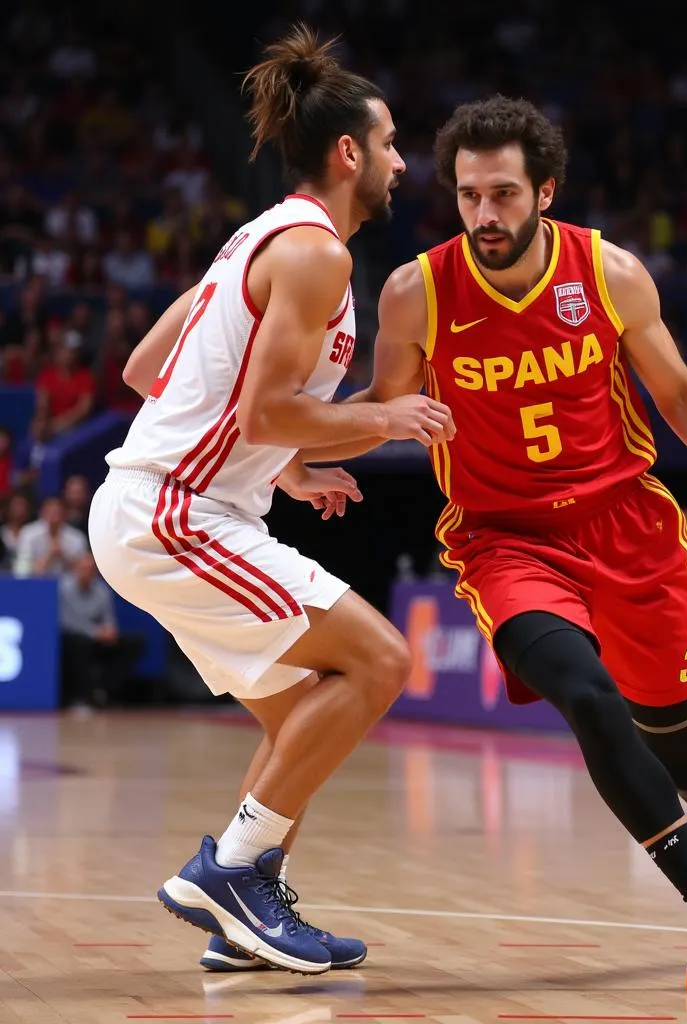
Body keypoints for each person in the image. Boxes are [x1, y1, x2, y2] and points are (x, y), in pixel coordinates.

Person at [356, 96, 687, 992]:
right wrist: (290, 445)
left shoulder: (609, 272)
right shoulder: (414, 292)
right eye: (469, 196)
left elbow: (681, 393)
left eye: (504, 193)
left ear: (544, 190)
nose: (485, 215)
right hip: (503, 536)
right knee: (584, 694)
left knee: (681, 748)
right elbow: (385, 407)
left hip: (625, 523)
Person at [88, 24, 454, 976]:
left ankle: (243, 913)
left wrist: (283, 466)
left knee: (305, 712)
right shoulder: (317, 255)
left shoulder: (252, 240)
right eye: (389, 145)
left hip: (171, 510)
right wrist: (386, 418)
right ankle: (231, 871)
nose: (400, 162)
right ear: (349, 154)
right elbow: (262, 405)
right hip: (177, 514)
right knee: (379, 661)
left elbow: (146, 368)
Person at [59, 551, 145, 707]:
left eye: (91, 569)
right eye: (83, 568)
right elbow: (67, 622)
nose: (87, 572)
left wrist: (110, 630)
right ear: (75, 569)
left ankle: (104, 690)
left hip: (98, 638)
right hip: (75, 638)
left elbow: (109, 619)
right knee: (78, 643)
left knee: (134, 642)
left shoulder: (101, 590)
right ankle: (85, 695)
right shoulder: (64, 588)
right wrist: (94, 632)